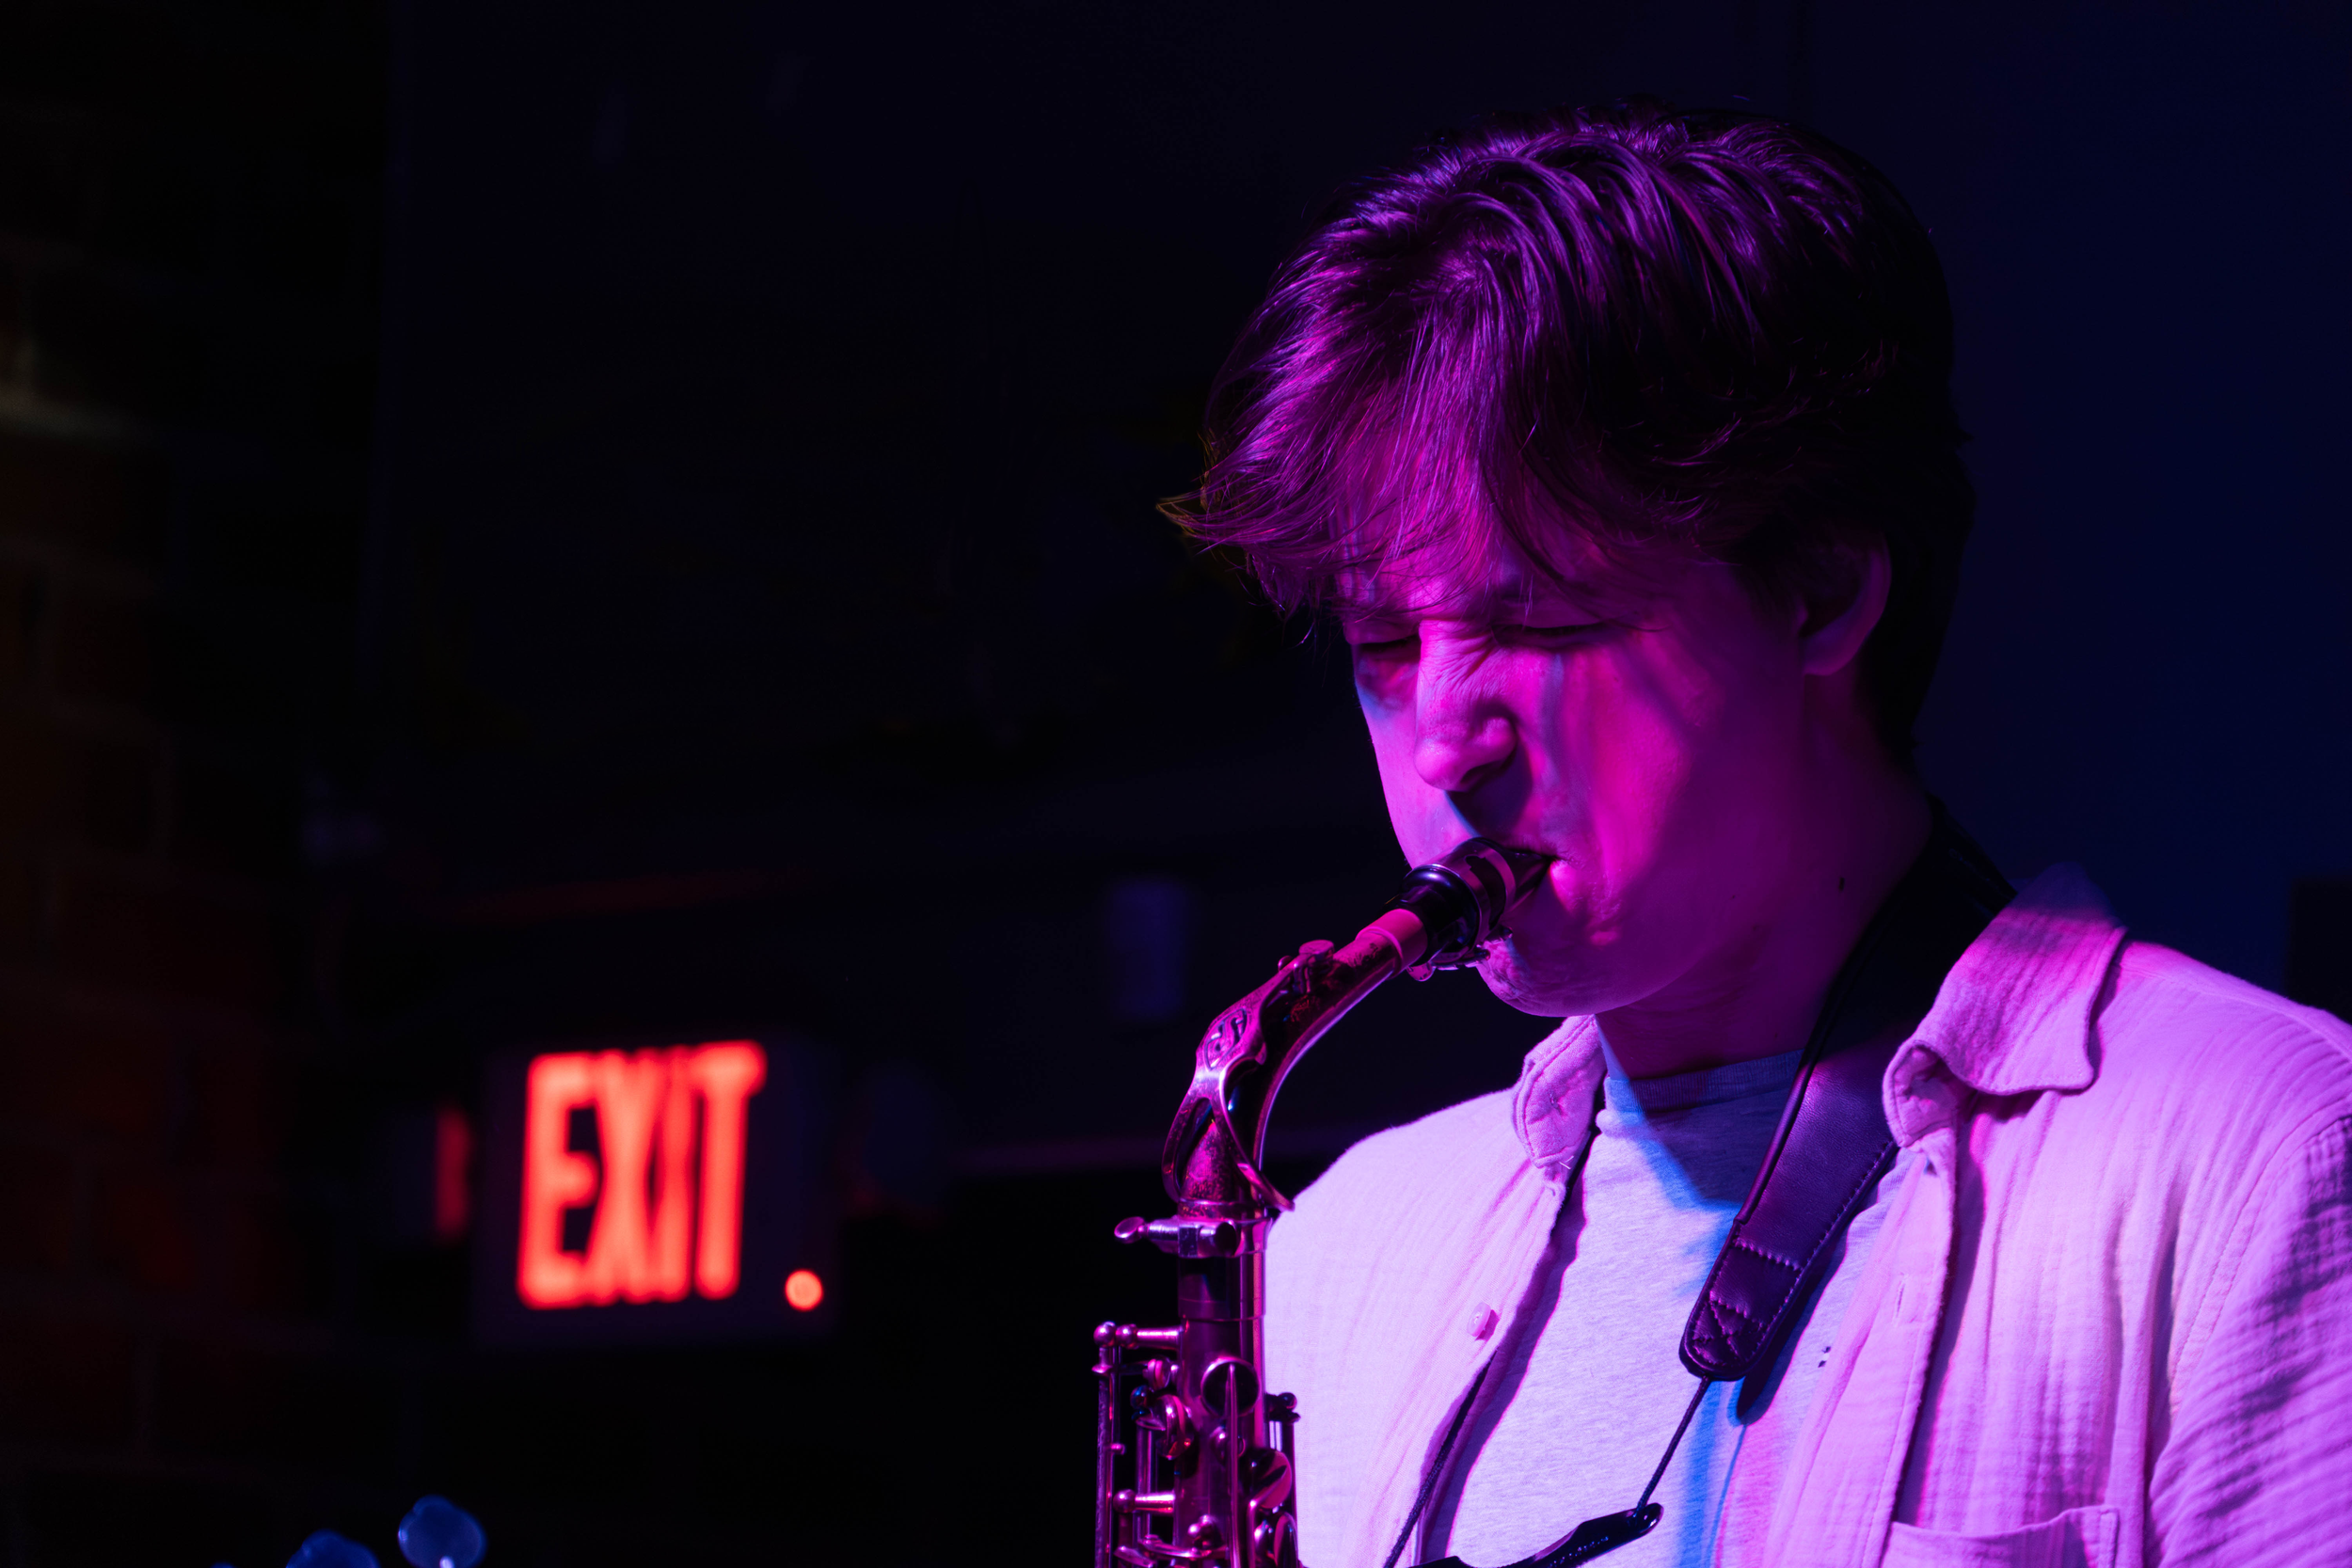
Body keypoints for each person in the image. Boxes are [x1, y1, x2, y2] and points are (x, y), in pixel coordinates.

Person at [1168, 99, 2352, 1568]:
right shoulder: (1339, 1250)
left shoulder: (2266, 1152)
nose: (1440, 741)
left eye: (1537, 618)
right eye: (1382, 643)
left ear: (1819, 594)